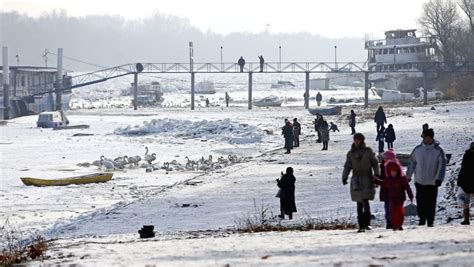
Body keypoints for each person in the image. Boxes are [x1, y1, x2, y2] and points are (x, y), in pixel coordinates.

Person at [406, 128, 446, 227]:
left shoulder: (438, 151)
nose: (423, 139)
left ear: (429, 137)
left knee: (431, 202)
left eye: (424, 137)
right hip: (419, 181)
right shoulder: (417, 150)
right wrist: (408, 176)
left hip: (433, 182)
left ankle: (430, 220)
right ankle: (422, 219)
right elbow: (411, 163)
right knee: (420, 201)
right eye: (423, 137)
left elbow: (442, 166)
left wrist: (439, 178)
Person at [342, 133, 380, 232]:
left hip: (367, 178)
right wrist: (344, 176)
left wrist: (377, 174)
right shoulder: (351, 153)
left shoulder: (368, 151)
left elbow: (375, 163)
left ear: (362, 140)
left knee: (365, 201)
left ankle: (367, 223)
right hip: (356, 179)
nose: (357, 142)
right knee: (359, 202)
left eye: (358, 140)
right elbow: (348, 166)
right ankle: (361, 225)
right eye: (355, 140)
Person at [374, 158, 414, 231]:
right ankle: (395, 225)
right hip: (392, 198)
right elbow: (383, 183)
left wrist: (410, 195)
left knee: (400, 212)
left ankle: (399, 224)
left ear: (398, 171)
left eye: (395, 171)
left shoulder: (402, 178)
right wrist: (376, 181)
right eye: (392, 171)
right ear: (389, 171)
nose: (393, 173)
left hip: (400, 198)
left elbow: (407, 187)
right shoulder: (389, 179)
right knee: (393, 212)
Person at [378, 149, 397, 229]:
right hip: (386, 189)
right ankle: (389, 221)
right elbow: (381, 177)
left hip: (393, 189)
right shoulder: (382, 166)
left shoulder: (394, 167)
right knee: (387, 206)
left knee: (391, 206)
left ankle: (392, 221)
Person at [457, 142, 474, 225]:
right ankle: (466, 220)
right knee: (465, 202)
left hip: (466, 182)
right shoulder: (467, 155)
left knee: (465, 203)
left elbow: (463, 169)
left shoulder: (467, 155)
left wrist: (459, 182)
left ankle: (466, 220)